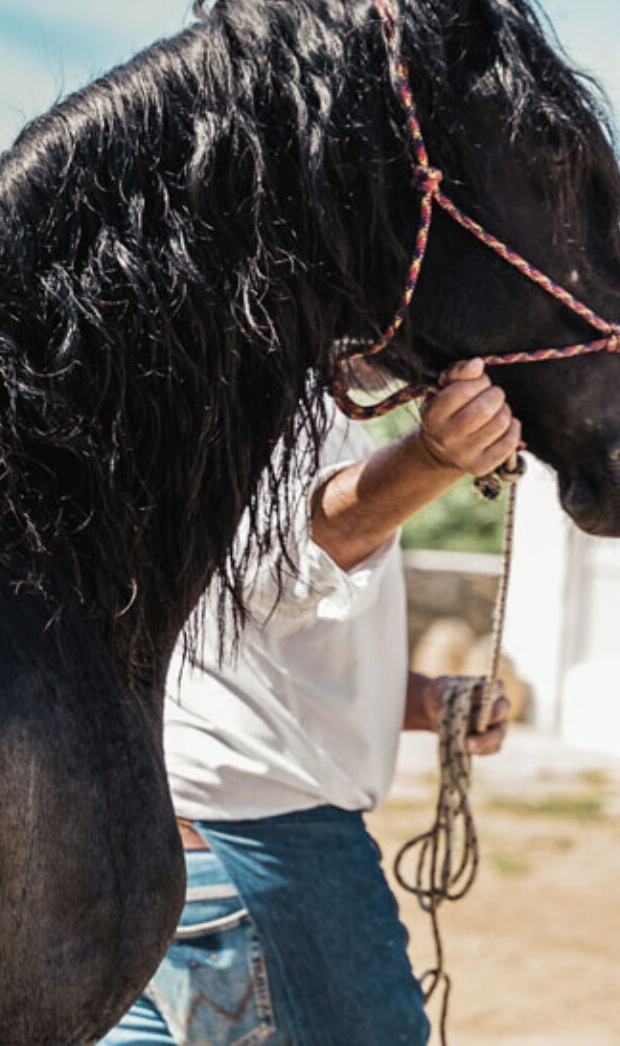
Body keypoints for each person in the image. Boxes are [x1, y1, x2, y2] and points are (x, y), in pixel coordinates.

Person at [101, 358, 517, 1046]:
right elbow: (285, 560)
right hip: (272, 854)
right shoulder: (283, 394)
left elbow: (242, 645)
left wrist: (430, 700)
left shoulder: (195, 377)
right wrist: (433, 458)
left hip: (141, 849)